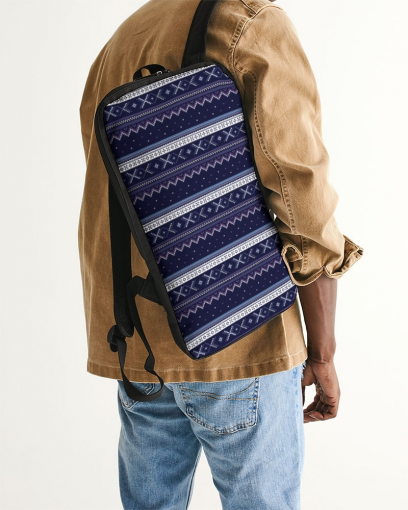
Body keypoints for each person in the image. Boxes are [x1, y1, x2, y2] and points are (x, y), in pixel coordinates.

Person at [78, 0, 363, 508]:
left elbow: (115, 199)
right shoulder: (249, 21)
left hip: (139, 348)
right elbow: (302, 196)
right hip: (240, 339)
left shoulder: (125, 37)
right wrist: (322, 352)